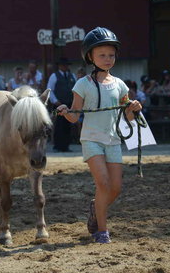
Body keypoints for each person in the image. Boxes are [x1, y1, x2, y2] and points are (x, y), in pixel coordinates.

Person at [57, 27, 142, 244]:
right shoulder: (82, 84)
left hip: (113, 140)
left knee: (116, 188)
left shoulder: (121, 85)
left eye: (111, 55)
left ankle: (96, 208)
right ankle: (101, 231)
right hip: (91, 140)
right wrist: (66, 112)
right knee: (103, 184)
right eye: (102, 55)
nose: (107, 59)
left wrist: (133, 108)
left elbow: (128, 119)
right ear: (90, 57)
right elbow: (76, 117)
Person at [47, 57, 76, 152]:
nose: (65, 66)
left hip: (69, 104)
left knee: (68, 124)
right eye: (63, 65)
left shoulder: (72, 76)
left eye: (66, 65)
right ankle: (58, 145)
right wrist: (55, 101)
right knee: (58, 125)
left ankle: (66, 145)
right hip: (58, 104)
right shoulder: (54, 76)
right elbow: (50, 90)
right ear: (59, 66)